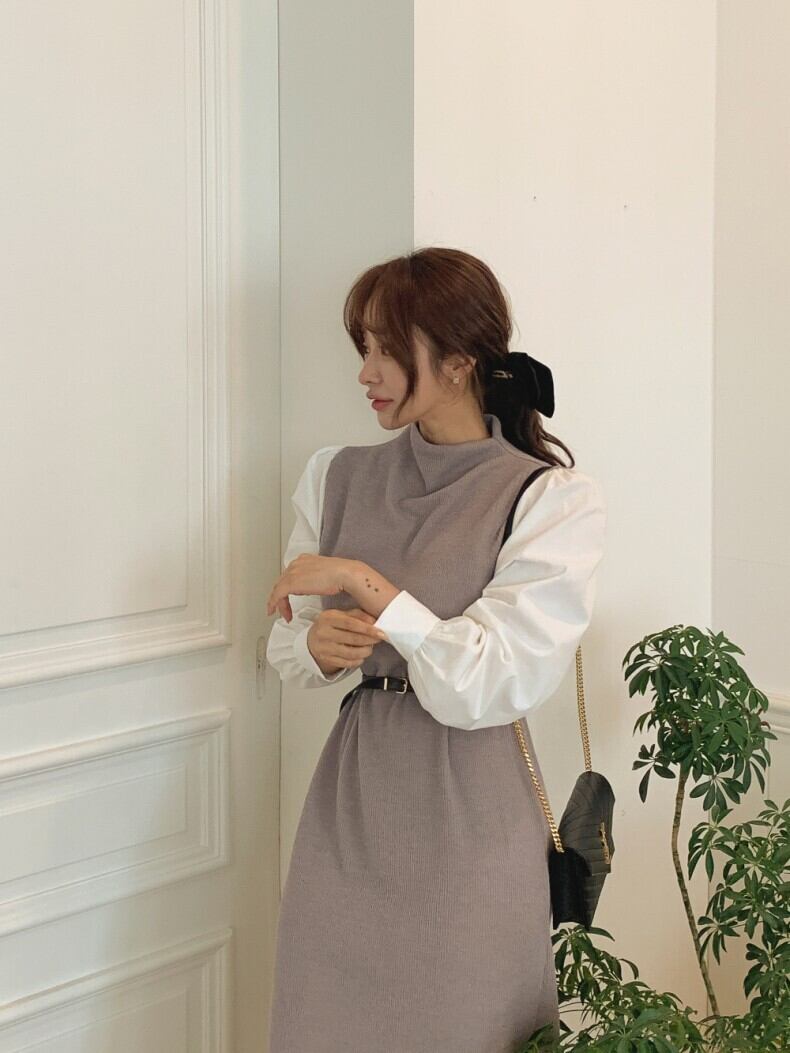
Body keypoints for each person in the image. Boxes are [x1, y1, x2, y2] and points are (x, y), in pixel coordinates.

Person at [265, 247, 607, 1052]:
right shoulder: (334, 476)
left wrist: (364, 582)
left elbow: (494, 679)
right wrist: (315, 644)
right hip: (352, 800)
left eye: (388, 349)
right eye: (364, 348)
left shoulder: (549, 499)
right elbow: (284, 638)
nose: (366, 373)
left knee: (465, 1020)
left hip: (473, 805)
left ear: (459, 361)